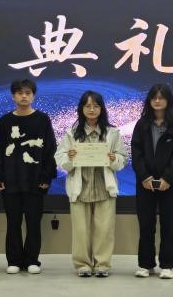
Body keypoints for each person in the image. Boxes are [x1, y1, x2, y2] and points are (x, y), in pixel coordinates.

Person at [55, 91, 127, 278]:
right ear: (81, 109)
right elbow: (59, 157)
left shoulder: (112, 133)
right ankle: (83, 265)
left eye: (96, 106)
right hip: (80, 187)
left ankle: (102, 264)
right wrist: (69, 157)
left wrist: (114, 158)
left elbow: (123, 158)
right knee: (81, 230)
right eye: (87, 106)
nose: (92, 109)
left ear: (101, 109)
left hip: (104, 187)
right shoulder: (71, 133)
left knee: (104, 229)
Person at [0, 79, 57, 275]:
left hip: (35, 181)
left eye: (28, 93)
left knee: (34, 222)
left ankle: (32, 260)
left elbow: (50, 149)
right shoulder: (5, 121)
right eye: (20, 93)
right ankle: (14, 260)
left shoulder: (43, 119)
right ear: (13, 96)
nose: (24, 96)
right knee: (13, 222)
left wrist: (46, 177)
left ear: (33, 96)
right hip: (10, 180)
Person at [131, 83, 173, 280]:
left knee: (169, 225)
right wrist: (145, 176)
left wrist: (168, 178)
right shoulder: (141, 125)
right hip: (145, 183)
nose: (157, 101)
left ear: (168, 101)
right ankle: (145, 264)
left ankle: (167, 265)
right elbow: (136, 153)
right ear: (149, 100)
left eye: (161, 97)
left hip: (170, 184)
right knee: (145, 224)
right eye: (154, 97)